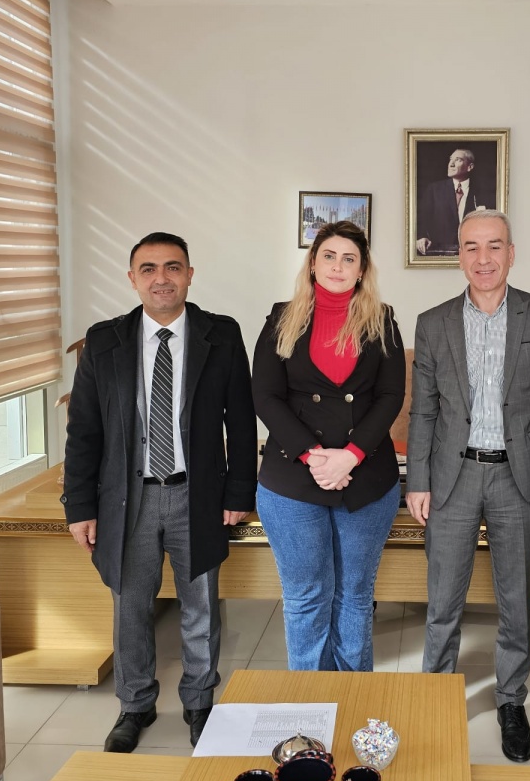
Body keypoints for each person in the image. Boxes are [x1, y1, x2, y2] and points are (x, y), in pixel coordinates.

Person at [62, 233, 257, 752]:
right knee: (130, 607)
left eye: (173, 267)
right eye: (148, 269)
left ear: (190, 274)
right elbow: (84, 431)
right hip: (128, 500)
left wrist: (239, 491)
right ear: (133, 279)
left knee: (201, 608)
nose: (161, 278)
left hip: (198, 495)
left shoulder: (221, 335)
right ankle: (135, 704)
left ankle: (199, 702)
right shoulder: (105, 340)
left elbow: (241, 421)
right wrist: (79, 506)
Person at [406, 211, 530, 761]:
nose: (483, 257)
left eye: (494, 246)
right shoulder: (433, 322)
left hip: (518, 478)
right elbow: (424, 410)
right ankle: (435, 695)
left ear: (511, 253)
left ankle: (511, 701)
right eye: (472, 247)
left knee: (515, 601)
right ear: (459, 256)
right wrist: (418, 480)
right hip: (452, 477)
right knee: (442, 601)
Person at [253, 220, 405, 672]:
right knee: (306, 597)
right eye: (329, 256)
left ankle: (353, 694)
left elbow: (390, 396)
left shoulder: (382, 320)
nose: (338, 266)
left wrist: (351, 456)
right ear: (313, 264)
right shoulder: (281, 318)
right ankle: (310, 699)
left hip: (366, 478)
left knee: (355, 595)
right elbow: (265, 396)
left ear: (362, 270)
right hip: (292, 479)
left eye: (349, 258)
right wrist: (313, 456)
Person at [416, 147, 490, 256]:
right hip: (439, 253)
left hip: (472, 254)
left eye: (458, 160)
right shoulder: (434, 190)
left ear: (470, 167)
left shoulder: (482, 192)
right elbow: (422, 219)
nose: (451, 164)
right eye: (450, 159)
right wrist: (422, 237)